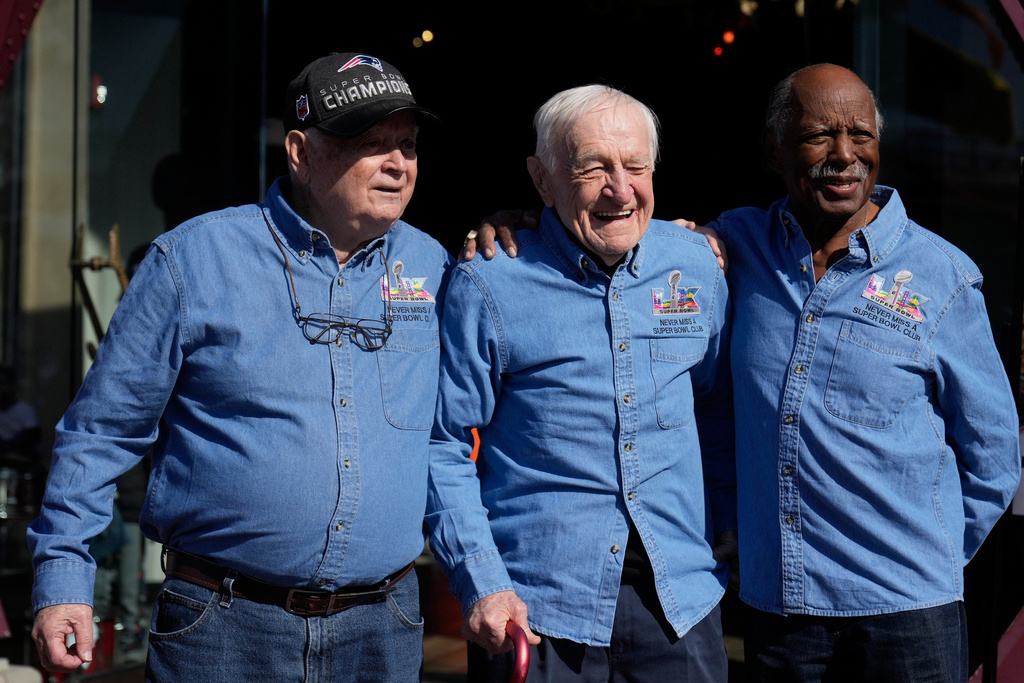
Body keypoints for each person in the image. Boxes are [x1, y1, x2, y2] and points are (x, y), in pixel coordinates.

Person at [468, 64, 1021, 681]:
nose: (844, 155)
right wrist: (526, 223)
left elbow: (994, 455)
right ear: (773, 149)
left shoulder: (942, 276)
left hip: (908, 615)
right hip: (778, 609)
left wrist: (930, 554)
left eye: (860, 134)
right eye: (818, 136)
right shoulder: (731, 248)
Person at [29, 51, 451, 681]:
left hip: (382, 630)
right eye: (370, 143)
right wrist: (64, 576)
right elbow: (102, 430)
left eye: (408, 144)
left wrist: (521, 229)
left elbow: (449, 440)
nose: (397, 163)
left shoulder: (434, 266)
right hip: (223, 629)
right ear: (301, 153)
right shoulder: (191, 261)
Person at [426, 85, 736, 681]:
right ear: (542, 181)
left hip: (682, 600)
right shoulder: (491, 284)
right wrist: (482, 583)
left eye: (635, 167)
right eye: (593, 169)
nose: (620, 191)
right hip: (537, 611)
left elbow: (717, 404)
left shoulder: (696, 264)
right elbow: (442, 446)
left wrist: (723, 531)